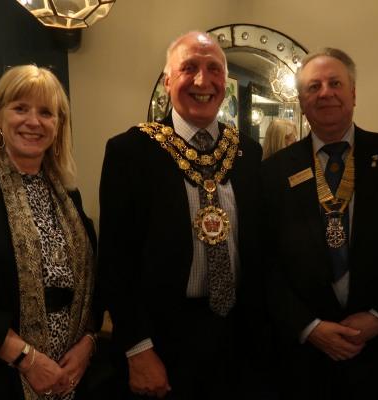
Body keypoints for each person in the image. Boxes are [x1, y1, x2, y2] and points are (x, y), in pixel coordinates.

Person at [261, 47, 378, 399]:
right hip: (304, 357)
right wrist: (308, 327)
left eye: (335, 83)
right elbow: (263, 260)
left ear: (353, 92)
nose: (325, 92)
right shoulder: (273, 170)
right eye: (313, 87)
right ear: (301, 99)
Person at [98, 31, 262, 399]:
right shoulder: (131, 151)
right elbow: (115, 260)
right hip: (162, 340)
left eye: (214, 69)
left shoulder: (247, 152)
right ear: (168, 80)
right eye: (189, 68)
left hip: (238, 337)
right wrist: (138, 350)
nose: (203, 81)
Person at [0, 65, 99, 400]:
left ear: (59, 126)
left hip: (68, 377)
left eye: (46, 112)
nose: (34, 121)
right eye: (20, 108)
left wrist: (88, 343)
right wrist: (25, 358)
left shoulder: (67, 194)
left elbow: (92, 280)